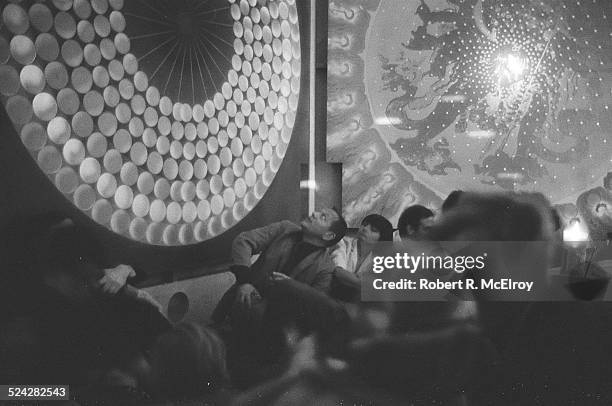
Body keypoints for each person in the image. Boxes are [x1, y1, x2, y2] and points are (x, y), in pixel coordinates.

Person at [213, 207, 348, 323]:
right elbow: (243, 241)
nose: (314, 213)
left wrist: (292, 287)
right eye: (319, 211)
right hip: (237, 307)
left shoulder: (325, 268)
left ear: (328, 235)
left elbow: (316, 304)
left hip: (275, 329)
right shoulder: (285, 228)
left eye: (323, 217)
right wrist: (245, 282)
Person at [331, 214, 394, 301]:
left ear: (382, 238)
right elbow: (338, 271)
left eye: (373, 230)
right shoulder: (344, 243)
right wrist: (364, 284)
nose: (365, 229)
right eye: (364, 224)